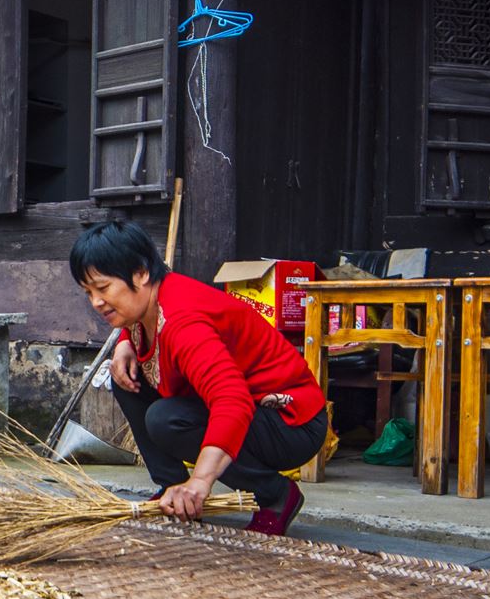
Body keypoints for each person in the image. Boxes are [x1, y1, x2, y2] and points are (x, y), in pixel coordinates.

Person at [69, 219, 328, 536]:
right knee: (124, 377)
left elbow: (232, 401)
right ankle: (173, 490)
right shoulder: (149, 303)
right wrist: (125, 343)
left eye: (104, 288)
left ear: (141, 273)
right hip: (252, 411)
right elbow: (137, 328)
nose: (96, 302)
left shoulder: (183, 322)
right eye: (88, 292)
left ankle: (274, 496)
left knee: (167, 420)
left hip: (291, 421)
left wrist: (201, 481)